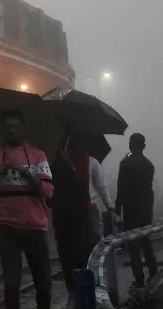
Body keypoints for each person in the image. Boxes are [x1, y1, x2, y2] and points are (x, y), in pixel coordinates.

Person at [0, 109, 54, 309]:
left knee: (43, 284)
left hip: (36, 227)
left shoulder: (38, 156)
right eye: (8, 126)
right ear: (2, 130)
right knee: (11, 284)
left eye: (16, 126)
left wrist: (26, 174)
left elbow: (48, 192)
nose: (12, 130)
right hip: (6, 227)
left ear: (24, 129)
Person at [49, 123, 96, 302]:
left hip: (77, 224)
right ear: (67, 150)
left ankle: (77, 296)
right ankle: (74, 295)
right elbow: (51, 199)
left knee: (79, 261)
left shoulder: (78, 168)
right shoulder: (57, 170)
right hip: (66, 223)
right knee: (71, 262)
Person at [115, 133, 157, 290]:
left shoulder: (125, 163)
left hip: (131, 208)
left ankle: (139, 279)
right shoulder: (149, 165)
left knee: (133, 244)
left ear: (130, 145)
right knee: (146, 240)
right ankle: (154, 273)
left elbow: (122, 188)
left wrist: (118, 208)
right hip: (146, 207)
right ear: (143, 146)